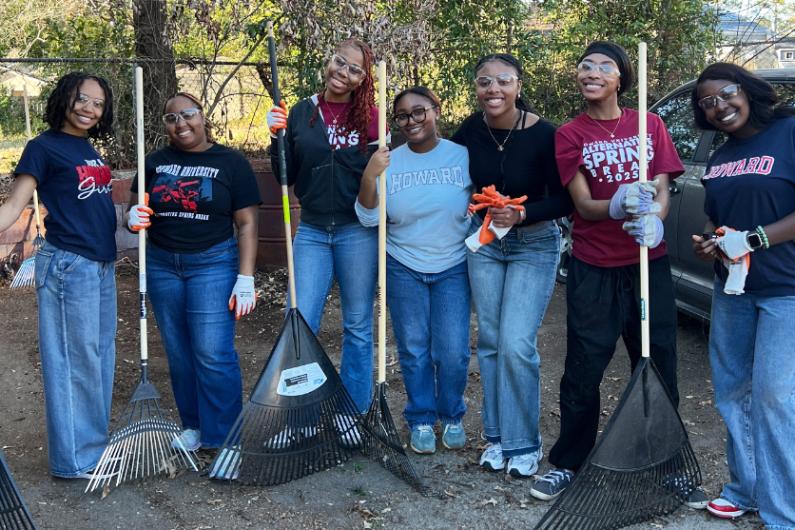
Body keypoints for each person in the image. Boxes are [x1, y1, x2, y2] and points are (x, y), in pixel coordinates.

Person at [528, 41, 707, 508]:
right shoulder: (570, 134)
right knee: (584, 366)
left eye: (604, 66)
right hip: (594, 265)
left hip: (649, 263)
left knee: (658, 360)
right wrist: (617, 203)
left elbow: (663, 188)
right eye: (585, 65)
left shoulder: (649, 124)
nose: (592, 72)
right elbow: (583, 204)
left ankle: (666, 463)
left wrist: (655, 219)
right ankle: (568, 461)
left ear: (622, 78)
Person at [450, 54, 572, 477]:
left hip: (533, 244)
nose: (493, 89)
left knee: (517, 343)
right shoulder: (469, 130)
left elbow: (564, 199)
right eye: (485, 81)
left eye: (503, 81)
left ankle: (524, 443)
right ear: (476, 88)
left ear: (519, 85)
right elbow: (446, 173)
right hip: (484, 243)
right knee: (490, 340)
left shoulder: (545, 135)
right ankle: (497, 437)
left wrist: (522, 214)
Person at [690, 63, 795, 528]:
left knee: (775, 397)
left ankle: (783, 511)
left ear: (748, 90)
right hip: (732, 289)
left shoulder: (789, 132)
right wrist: (710, 239)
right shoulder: (720, 156)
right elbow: (717, 217)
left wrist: (754, 240)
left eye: (726, 93)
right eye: (707, 102)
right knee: (733, 391)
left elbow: (759, 229)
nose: (719, 106)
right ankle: (745, 488)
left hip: (786, 289)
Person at [126, 92, 260, 453]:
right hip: (162, 263)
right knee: (179, 351)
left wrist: (245, 277)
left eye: (188, 115)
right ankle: (195, 425)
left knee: (212, 351)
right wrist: (131, 218)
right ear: (165, 125)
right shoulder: (154, 161)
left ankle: (226, 435)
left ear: (203, 116)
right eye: (172, 118)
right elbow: (135, 208)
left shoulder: (231, 162)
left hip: (212, 263)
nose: (181, 124)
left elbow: (246, 223)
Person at [0, 72, 117, 479]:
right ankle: (76, 459)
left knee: (99, 358)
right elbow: (15, 204)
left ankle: (92, 448)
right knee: (74, 362)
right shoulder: (43, 147)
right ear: (64, 99)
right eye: (82, 99)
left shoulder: (87, 149)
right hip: (70, 265)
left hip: (100, 265)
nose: (89, 108)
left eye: (97, 103)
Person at [267, 40, 380, 422]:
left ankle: (351, 412)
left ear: (364, 79)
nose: (342, 73)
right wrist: (275, 138)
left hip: (356, 232)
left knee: (359, 326)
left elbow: (382, 177)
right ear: (328, 60)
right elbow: (290, 173)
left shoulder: (371, 118)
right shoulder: (301, 112)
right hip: (313, 230)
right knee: (298, 321)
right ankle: (298, 414)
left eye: (354, 70)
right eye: (339, 62)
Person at [355, 87, 472, 454]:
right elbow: (367, 215)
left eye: (419, 111)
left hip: (453, 263)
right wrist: (370, 176)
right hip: (403, 263)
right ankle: (421, 417)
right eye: (403, 116)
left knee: (452, 350)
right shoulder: (389, 160)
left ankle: (451, 413)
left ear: (437, 110)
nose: (411, 121)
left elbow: (485, 203)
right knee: (414, 347)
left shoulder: (463, 156)